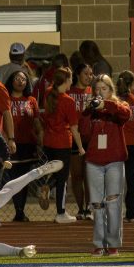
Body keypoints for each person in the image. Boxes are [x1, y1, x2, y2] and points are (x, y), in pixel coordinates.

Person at [80, 75, 131, 255]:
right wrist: (87, 111)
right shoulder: (92, 110)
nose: (100, 92)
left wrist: (106, 105)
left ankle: (113, 244)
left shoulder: (118, 105)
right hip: (94, 161)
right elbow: (83, 132)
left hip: (114, 161)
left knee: (113, 203)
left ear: (111, 90)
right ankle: (99, 244)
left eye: (104, 88)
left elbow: (126, 115)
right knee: (96, 204)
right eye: (97, 89)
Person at [39, 67, 86, 224]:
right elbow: (74, 128)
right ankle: (61, 212)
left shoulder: (48, 93)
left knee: (55, 170)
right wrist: (80, 147)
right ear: (66, 80)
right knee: (62, 178)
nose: (72, 81)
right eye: (70, 78)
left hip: (48, 141)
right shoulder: (68, 101)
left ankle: (47, 185)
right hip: (63, 142)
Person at [4, 69, 40, 222]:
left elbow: (36, 122)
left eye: (24, 79)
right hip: (11, 143)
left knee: (24, 179)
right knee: (13, 178)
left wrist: (40, 139)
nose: (20, 81)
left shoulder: (31, 100)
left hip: (27, 143)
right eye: (17, 78)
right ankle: (17, 209)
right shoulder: (6, 99)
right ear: (11, 80)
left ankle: (20, 211)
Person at [116, 70, 134, 223]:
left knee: (116, 179)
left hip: (117, 144)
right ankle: (132, 213)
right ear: (133, 84)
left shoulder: (115, 102)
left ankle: (115, 211)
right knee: (132, 179)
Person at [66, 62, 95, 219]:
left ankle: (89, 207)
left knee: (89, 174)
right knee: (77, 175)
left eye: (91, 74)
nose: (89, 77)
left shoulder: (93, 91)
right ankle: (80, 208)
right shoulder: (70, 92)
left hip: (90, 137)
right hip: (74, 137)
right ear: (77, 75)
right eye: (86, 73)